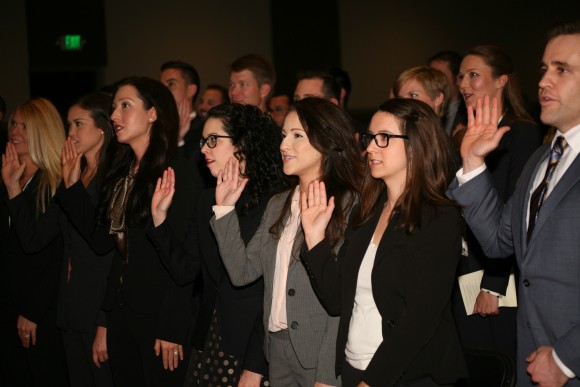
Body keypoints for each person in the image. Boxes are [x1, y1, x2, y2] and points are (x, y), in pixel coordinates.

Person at [447, 21, 580, 386]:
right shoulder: (543, 159)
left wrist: (567, 360)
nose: (543, 81)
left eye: (562, 69)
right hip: (532, 359)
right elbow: (499, 241)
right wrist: (473, 165)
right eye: (544, 69)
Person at [300, 98, 467, 386]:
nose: (370, 148)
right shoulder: (366, 211)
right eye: (369, 138)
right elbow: (337, 300)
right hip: (355, 368)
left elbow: (419, 319)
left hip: (408, 375)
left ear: (416, 144)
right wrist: (315, 239)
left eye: (384, 138)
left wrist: (372, 382)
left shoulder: (438, 218)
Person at [57, 77, 201, 387]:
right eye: (113, 108)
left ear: (152, 113)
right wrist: (71, 188)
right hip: (123, 313)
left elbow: (185, 260)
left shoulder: (176, 171)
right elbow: (103, 244)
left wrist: (172, 328)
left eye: (126, 106)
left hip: (160, 318)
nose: (114, 116)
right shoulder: (122, 172)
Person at [210, 97, 362, 386]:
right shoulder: (279, 203)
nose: (283, 145)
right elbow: (242, 273)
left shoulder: (347, 205)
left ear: (325, 141)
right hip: (277, 350)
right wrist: (225, 209)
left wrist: (328, 374)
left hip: (319, 354)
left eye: (297, 136)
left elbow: (342, 298)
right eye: (283, 135)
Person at [150, 103, 287, 386]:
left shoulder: (276, 201)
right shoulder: (205, 200)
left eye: (213, 140)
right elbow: (187, 271)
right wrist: (160, 221)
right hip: (208, 339)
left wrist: (256, 364)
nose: (203, 149)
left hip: (251, 346)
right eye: (202, 141)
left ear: (243, 143)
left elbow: (272, 294)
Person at [5, 92, 115, 387]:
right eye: (69, 125)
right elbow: (44, 241)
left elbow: (104, 246)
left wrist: (103, 321)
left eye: (79, 124)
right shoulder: (74, 175)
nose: (71, 133)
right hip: (69, 309)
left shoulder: (110, 180)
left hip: (93, 307)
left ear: (102, 128)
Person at [453, 45, 542, 363]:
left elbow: (515, 212)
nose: (463, 84)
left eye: (474, 75)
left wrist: (494, 285)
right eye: (461, 76)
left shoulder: (522, 133)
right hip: (463, 269)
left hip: (496, 272)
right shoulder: (461, 134)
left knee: (498, 359)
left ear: (501, 80)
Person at [0, 98, 68, 386]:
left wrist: (33, 311)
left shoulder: (55, 184)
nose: (15, 131)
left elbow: (48, 255)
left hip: (38, 309)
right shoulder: (7, 175)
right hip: (7, 300)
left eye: (25, 126)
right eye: (13, 123)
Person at [160, 61, 212, 187]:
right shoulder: (157, 127)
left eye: (171, 84)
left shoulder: (205, 129)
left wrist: (178, 141)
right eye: (161, 86)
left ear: (190, 90)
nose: (163, 91)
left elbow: (196, 176)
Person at [429, 51, 466, 136]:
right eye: (430, 76)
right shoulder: (427, 110)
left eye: (439, 76)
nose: (433, 81)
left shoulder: (469, 115)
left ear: (457, 80)